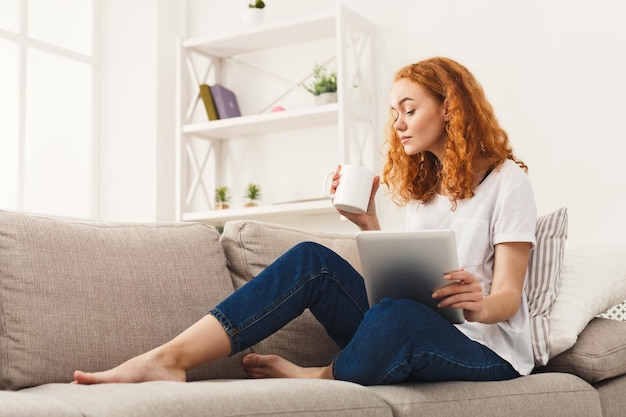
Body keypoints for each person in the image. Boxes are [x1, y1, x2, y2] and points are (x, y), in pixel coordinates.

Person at [73, 56, 536, 386]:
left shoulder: (506, 181)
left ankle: (322, 374)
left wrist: (477, 306)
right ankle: (169, 358)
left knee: (400, 318)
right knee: (311, 261)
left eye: (410, 110)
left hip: (487, 349)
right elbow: (406, 281)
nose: (398, 124)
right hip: (410, 322)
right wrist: (367, 221)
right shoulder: (425, 190)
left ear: (450, 107)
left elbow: (509, 298)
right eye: (395, 113)